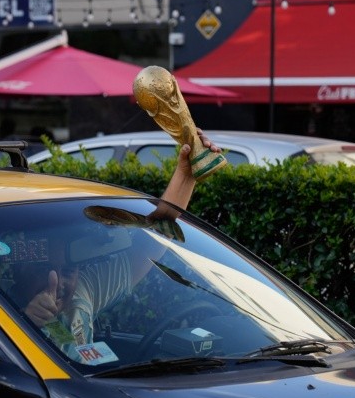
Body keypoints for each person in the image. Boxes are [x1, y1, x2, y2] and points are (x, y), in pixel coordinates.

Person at [13, 132, 221, 361]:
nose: (58, 283)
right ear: (21, 269)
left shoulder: (82, 290)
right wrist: (24, 322)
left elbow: (152, 242)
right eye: (46, 271)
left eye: (68, 271)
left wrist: (186, 173)